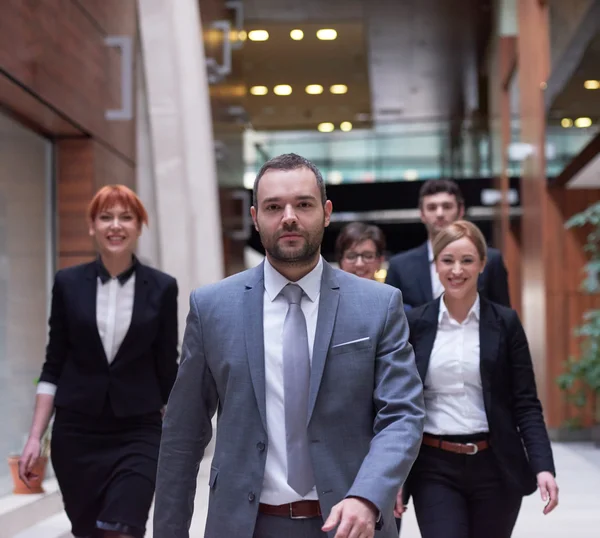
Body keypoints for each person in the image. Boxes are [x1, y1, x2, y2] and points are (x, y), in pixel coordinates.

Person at [154, 153, 425, 538]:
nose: (289, 217)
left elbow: (403, 414)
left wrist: (368, 495)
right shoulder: (212, 307)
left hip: (351, 524)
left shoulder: (378, 305)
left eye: (303, 204)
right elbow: (184, 432)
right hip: (246, 526)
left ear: (326, 212)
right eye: (273, 206)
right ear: (255, 217)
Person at [19, 185, 179, 538]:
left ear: (140, 226)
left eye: (126, 217)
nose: (115, 225)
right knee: (90, 530)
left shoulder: (163, 288)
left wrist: (182, 433)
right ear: (92, 226)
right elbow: (53, 363)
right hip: (77, 434)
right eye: (105, 217)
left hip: (138, 430)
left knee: (123, 525)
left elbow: (168, 366)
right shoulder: (67, 283)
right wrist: (34, 438)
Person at [395, 220, 558, 538]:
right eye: (447, 260)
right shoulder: (413, 324)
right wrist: (393, 477)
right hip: (433, 465)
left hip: (495, 465)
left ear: (483, 264)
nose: (457, 270)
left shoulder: (505, 322)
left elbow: (525, 402)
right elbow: (400, 405)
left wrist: (543, 466)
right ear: (436, 265)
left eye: (467, 260)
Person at [385, 179, 511, 309]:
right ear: (422, 214)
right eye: (432, 207)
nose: (439, 214)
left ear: (461, 211)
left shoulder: (491, 260)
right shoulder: (399, 267)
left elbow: (502, 318)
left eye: (447, 206)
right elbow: (390, 320)